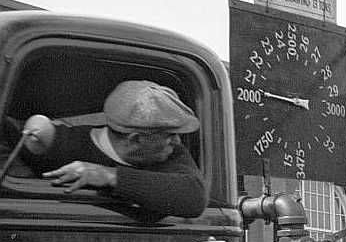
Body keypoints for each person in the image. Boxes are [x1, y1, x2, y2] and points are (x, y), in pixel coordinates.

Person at [10, 80, 207, 218]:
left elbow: (194, 198)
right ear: (135, 139)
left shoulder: (171, 153)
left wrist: (109, 176)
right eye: (169, 135)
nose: (177, 141)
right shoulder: (65, 145)